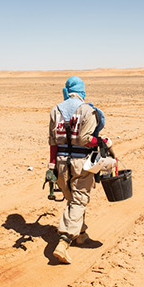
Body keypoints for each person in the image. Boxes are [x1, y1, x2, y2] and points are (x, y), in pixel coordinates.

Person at [48, 76, 114, 263]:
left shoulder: (55, 110)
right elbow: (86, 139)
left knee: (73, 199)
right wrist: (102, 141)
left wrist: (52, 165)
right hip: (80, 163)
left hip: (60, 162)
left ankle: (82, 235)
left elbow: (53, 142)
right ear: (82, 90)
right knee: (79, 200)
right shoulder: (87, 110)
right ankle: (64, 241)